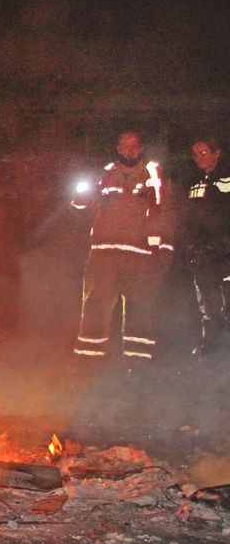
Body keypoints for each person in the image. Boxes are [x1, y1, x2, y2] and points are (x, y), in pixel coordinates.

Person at [70, 130, 172, 367]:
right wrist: (83, 196)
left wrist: (163, 253)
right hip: (104, 254)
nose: (130, 150)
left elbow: (165, 214)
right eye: (125, 145)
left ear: (142, 148)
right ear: (117, 148)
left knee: (139, 308)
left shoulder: (153, 174)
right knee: (95, 304)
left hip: (140, 256)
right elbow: (77, 208)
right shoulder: (103, 174)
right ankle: (88, 361)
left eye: (135, 145)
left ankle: (137, 364)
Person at [183, 136, 230, 358]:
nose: (199, 158)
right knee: (208, 301)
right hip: (203, 252)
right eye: (195, 154)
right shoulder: (194, 181)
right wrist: (192, 246)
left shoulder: (227, 177)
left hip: (226, 250)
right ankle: (210, 346)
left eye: (203, 152)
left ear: (216, 153)